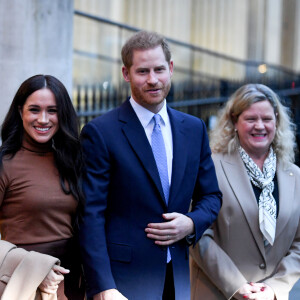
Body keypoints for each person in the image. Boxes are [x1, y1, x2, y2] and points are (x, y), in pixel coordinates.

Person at [79, 30, 222, 300]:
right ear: (126, 74)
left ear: (170, 68)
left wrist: (191, 223)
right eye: (143, 71)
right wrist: (103, 286)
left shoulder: (193, 129)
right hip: (121, 283)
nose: (153, 80)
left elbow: (211, 196)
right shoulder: (101, 132)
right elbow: (90, 215)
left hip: (177, 279)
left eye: (159, 69)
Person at [190, 83, 300, 300]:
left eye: (267, 119)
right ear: (234, 121)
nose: (260, 126)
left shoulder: (295, 175)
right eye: (251, 119)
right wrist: (237, 286)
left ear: (277, 122)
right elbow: (198, 234)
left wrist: (275, 288)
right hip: (218, 293)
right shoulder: (210, 167)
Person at [0, 74, 85, 299]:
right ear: (20, 111)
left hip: (74, 282)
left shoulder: (74, 159)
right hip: (26, 283)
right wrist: (36, 266)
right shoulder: (5, 163)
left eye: (52, 111)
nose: (43, 119)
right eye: (35, 110)